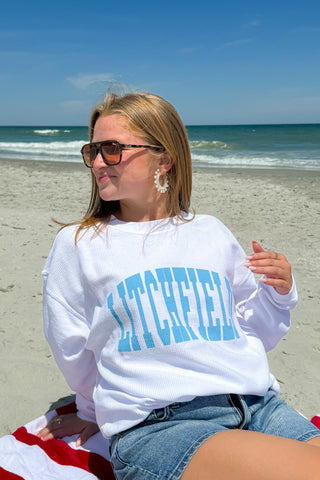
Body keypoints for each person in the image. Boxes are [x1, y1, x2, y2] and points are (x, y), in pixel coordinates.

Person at [37, 91, 320, 479]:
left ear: (165, 158)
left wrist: (278, 291)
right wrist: (92, 411)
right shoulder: (79, 245)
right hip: (163, 427)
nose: (99, 162)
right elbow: (72, 347)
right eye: (93, 151)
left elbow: (248, 331)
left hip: (258, 406)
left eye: (113, 149)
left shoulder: (211, 232)